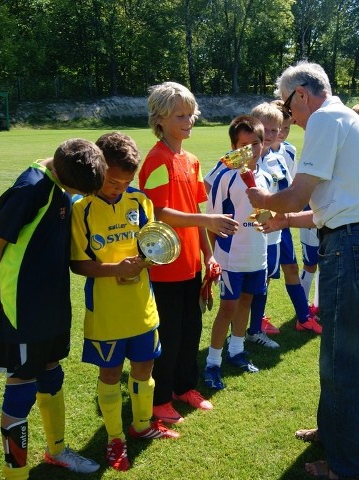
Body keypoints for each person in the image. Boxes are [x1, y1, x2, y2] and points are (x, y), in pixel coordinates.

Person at [247, 61, 359, 480]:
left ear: (302, 95)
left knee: (342, 363)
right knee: (332, 356)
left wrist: (261, 197)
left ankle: (346, 468)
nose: (288, 116)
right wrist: (285, 221)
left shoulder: (326, 120)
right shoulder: (346, 121)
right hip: (354, 243)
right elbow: (333, 206)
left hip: (350, 248)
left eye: (287, 107)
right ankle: (331, 432)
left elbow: (294, 197)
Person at [0, 138, 106, 479]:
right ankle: (15, 475)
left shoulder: (62, 178)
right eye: (81, 191)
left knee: (51, 373)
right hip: (20, 309)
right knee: (21, 385)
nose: (83, 196)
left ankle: (57, 451)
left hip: (51, 305)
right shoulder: (31, 188)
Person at [70, 132, 179, 472]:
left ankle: (143, 424)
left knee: (145, 368)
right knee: (111, 373)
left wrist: (146, 261)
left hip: (142, 306)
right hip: (106, 312)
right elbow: (76, 263)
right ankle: (115, 437)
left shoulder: (139, 202)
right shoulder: (82, 208)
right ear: (98, 169)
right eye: (112, 181)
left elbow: (154, 246)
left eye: (125, 182)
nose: (118, 187)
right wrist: (113, 268)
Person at [138, 82, 237, 426]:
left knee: (191, 330)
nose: (188, 120)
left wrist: (208, 254)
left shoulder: (191, 160)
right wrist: (208, 218)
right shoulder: (156, 159)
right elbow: (160, 213)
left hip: (190, 266)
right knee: (169, 335)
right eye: (179, 115)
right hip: (163, 266)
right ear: (159, 120)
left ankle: (184, 387)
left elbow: (193, 212)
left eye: (190, 114)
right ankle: (160, 399)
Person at [203, 115, 273, 391]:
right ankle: (212, 362)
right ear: (234, 147)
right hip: (231, 256)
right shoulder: (225, 177)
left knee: (246, 301)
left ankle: (236, 350)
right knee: (227, 308)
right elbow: (212, 219)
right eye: (244, 145)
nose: (252, 150)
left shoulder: (265, 175)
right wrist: (208, 257)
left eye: (256, 143)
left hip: (258, 254)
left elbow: (268, 214)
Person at [250, 102, 320, 337]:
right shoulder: (247, 156)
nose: (275, 134)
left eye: (278, 129)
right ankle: (256, 322)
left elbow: (291, 188)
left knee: (291, 266)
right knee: (264, 275)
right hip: (260, 227)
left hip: (282, 223)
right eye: (267, 129)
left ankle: (303, 317)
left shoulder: (285, 153)